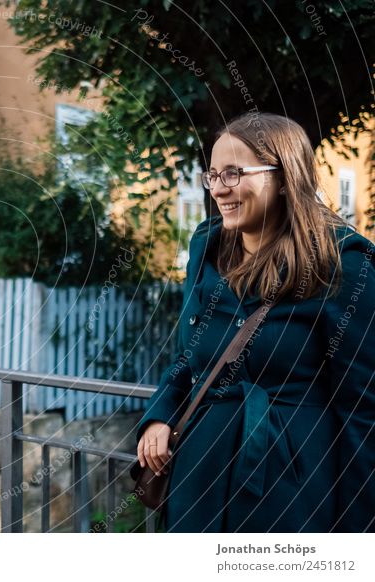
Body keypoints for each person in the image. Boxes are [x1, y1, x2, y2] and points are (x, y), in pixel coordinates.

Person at [135, 112, 374, 532]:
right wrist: (159, 414)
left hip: (291, 486)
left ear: (284, 176)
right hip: (200, 478)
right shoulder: (207, 247)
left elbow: (363, 410)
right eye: (212, 174)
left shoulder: (344, 263)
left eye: (234, 173)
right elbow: (189, 357)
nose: (220, 188)